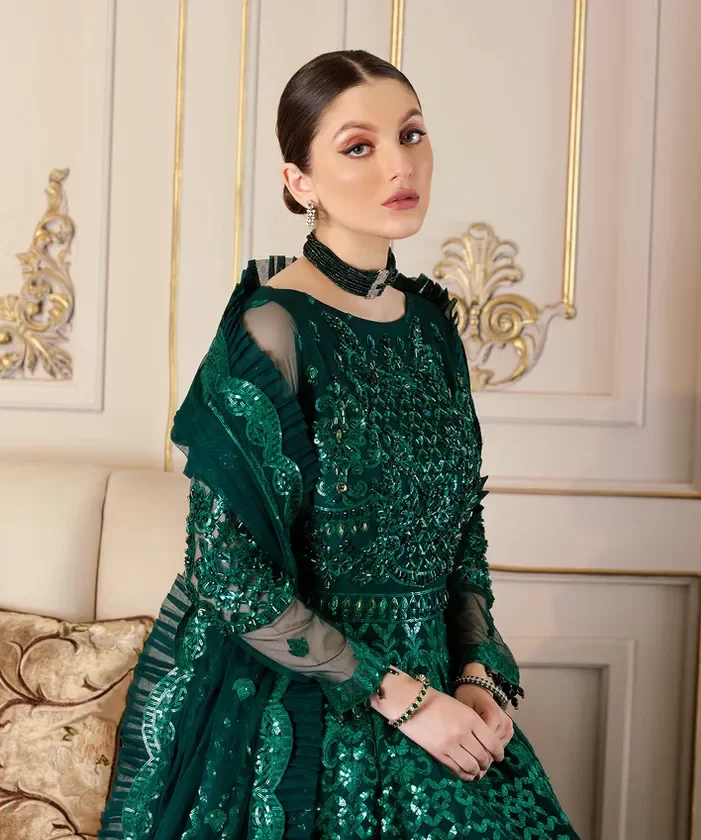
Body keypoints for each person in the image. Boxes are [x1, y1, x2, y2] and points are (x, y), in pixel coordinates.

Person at [99, 49, 579, 840]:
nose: (400, 163)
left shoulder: (432, 327)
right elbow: (224, 570)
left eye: (412, 134)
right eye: (359, 146)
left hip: (444, 701)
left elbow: (460, 530)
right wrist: (401, 698)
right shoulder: (272, 329)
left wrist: (478, 673)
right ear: (301, 183)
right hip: (316, 702)